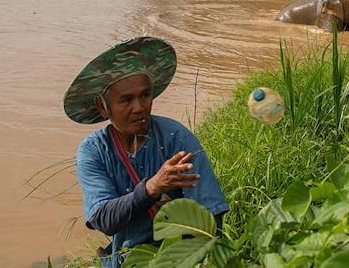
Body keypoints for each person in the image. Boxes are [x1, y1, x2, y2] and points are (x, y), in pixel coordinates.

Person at [63, 36, 229, 267]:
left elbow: (211, 214)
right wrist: (151, 188)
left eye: (144, 95)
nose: (139, 107)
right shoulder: (93, 152)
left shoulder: (176, 137)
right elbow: (104, 219)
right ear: (103, 107)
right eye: (126, 100)